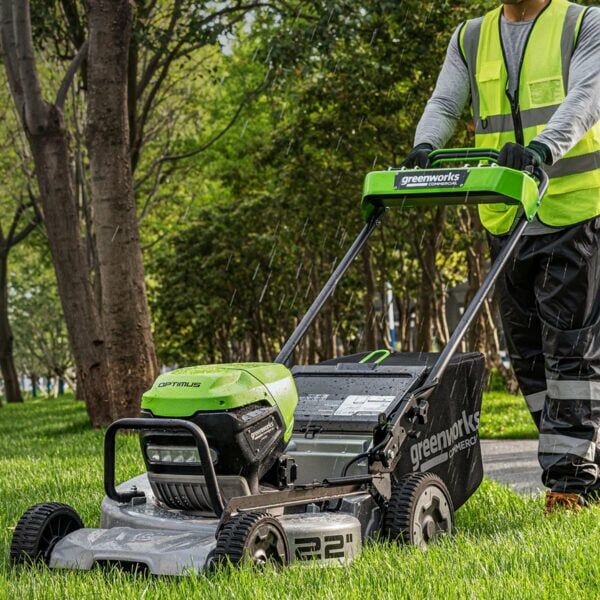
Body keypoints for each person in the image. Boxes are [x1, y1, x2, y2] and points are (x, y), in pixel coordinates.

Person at [404, 0, 600, 511]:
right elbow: (445, 103)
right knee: (528, 353)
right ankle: (584, 460)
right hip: (507, 218)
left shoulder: (584, 23)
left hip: (574, 212)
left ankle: (570, 483)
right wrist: (425, 145)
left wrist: (541, 149)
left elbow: (587, 96)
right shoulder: (470, 36)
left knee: (569, 350)